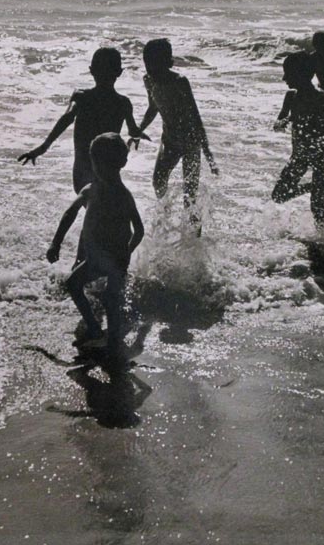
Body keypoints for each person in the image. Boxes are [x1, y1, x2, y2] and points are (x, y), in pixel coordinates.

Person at [47, 133, 144, 348]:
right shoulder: (91, 191)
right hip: (96, 258)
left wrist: (127, 252)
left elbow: (139, 230)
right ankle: (94, 327)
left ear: (121, 164)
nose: (100, 169)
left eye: (105, 165)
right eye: (97, 164)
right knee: (73, 285)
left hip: (116, 259)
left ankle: (114, 342)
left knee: (112, 301)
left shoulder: (122, 196)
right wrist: (56, 243)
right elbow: (69, 214)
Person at [18, 48, 148, 193]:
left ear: (91, 70)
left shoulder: (81, 97)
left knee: (93, 208)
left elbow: (66, 118)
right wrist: (137, 136)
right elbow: (133, 131)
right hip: (109, 171)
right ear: (119, 72)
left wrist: (43, 147)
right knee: (107, 208)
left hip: (82, 169)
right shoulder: (123, 103)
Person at [136, 39, 218, 213]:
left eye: (155, 65)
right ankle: (164, 217)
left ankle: (194, 237)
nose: (150, 70)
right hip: (169, 139)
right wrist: (138, 130)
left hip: (191, 142)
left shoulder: (180, 82)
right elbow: (153, 108)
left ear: (168, 63)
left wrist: (207, 150)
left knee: (190, 196)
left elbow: (195, 117)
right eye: (147, 65)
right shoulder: (148, 80)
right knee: (158, 181)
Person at [272, 52, 324, 227]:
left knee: (318, 209)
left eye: (288, 73)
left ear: (302, 74)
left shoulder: (319, 96)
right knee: (278, 195)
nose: (284, 78)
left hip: (319, 157)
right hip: (299, 156)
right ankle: (309, 187)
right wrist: (287, 119)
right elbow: (277, 124)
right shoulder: (291, 96)